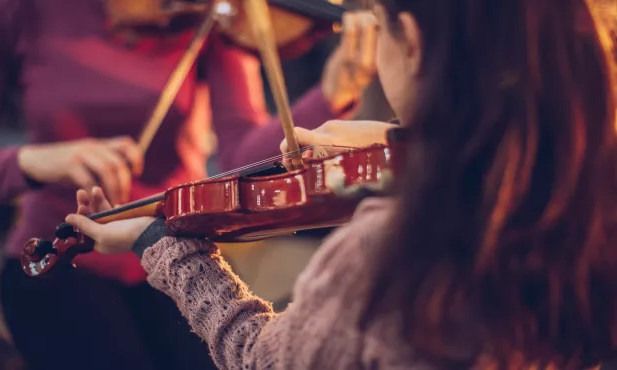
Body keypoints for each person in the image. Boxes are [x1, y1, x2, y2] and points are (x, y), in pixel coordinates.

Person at [66, 0, 617, 368]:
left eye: (378, 24)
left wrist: (163, 248)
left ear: (415, 42)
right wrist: (396, 138)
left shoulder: (394, 251)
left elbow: (261, 357)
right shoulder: (585, 192)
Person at [0, 0, 378, 368]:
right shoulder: (16, 14)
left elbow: (244, 156)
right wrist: (38, 160)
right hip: (61, 257)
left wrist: (333, 91)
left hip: (174, 252)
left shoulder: (210, 20)